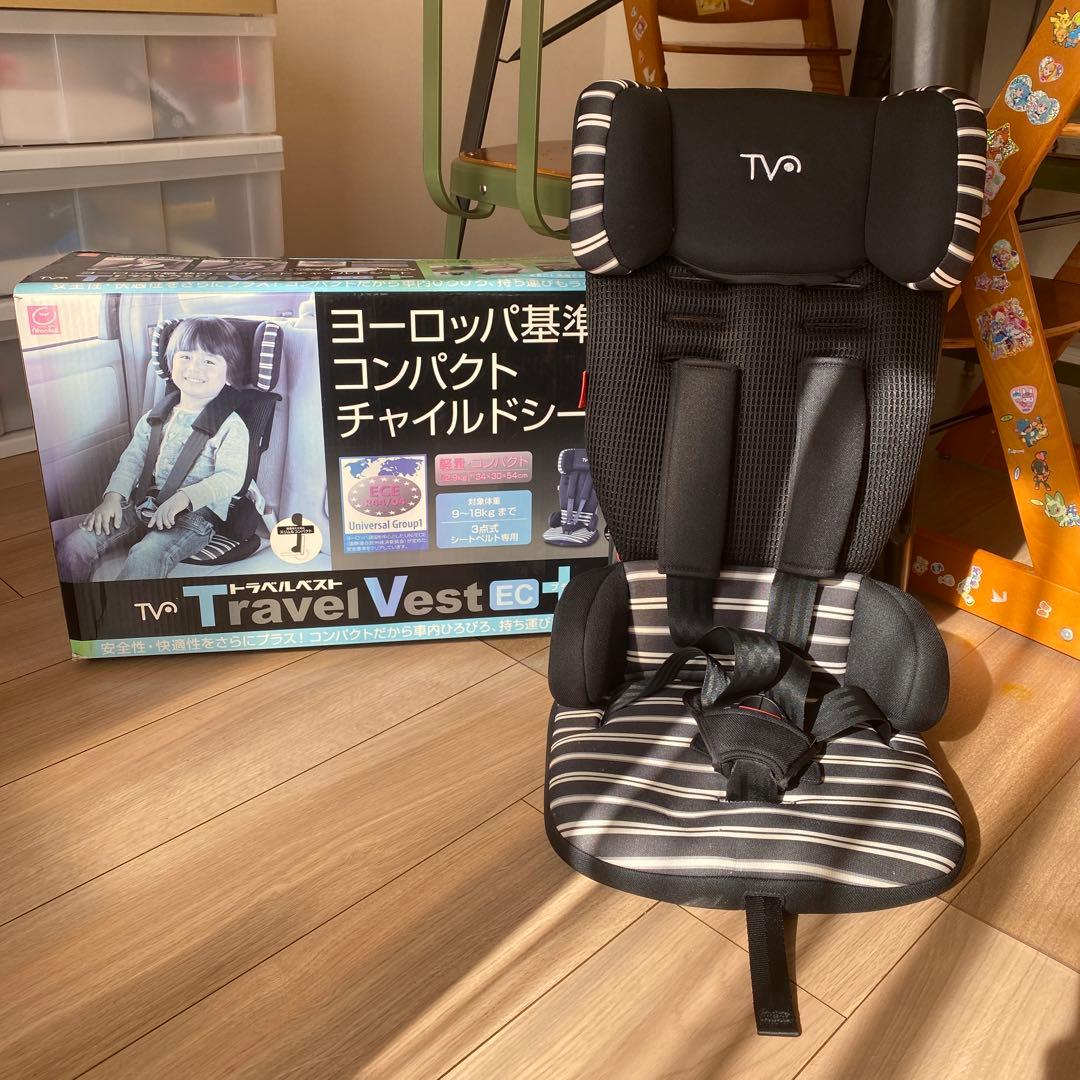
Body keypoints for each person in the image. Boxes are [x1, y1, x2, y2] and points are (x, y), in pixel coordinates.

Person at [57, 316, 250, 581]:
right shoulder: (155, 417)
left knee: (145, 555)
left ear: (229, 375)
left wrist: (184, 497)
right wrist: (113, 497)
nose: (195, 367)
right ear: (170, 364)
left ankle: (131, 607)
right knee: (74, 546)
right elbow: (132, 460)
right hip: (142, 503)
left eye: (209, 361)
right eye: (186, 356)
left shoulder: (231, 426)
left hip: (194, 515)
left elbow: (231, 478)